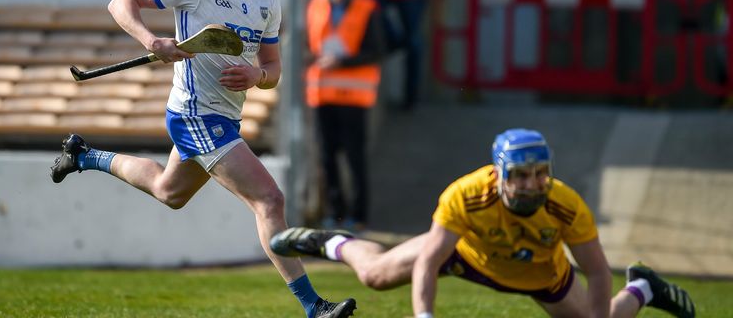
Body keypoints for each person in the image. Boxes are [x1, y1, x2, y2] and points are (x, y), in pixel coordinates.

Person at [49, 0, 356, 318]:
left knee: (168, 192)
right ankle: (313, 306)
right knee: (269, 200)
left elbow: (274, 71)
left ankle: (83, 155)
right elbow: (121, 2)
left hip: (226, 116)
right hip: (195, 114)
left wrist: (256, 76)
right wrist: (150, 40)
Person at [270, 128, 696, 318]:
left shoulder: (567, 205)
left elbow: (599, 271)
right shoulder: (466, 194)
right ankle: (329, 243)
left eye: (540, 174)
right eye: (521, 175)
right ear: (499, 173)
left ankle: (643, 287)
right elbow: (430, 258)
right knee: (376, 275)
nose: (532, 184)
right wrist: (425, 316)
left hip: (539, 275)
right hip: (467, 255)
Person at [305, 0, 386, 231]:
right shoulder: (316, 5)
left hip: (354, 96)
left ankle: (359, 216)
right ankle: (336, 214)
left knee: (355, 158)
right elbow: (309, 46)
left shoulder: (367, 6)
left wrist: (342, 61)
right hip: (322, 93)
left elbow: (376, 50)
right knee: (327, 158)